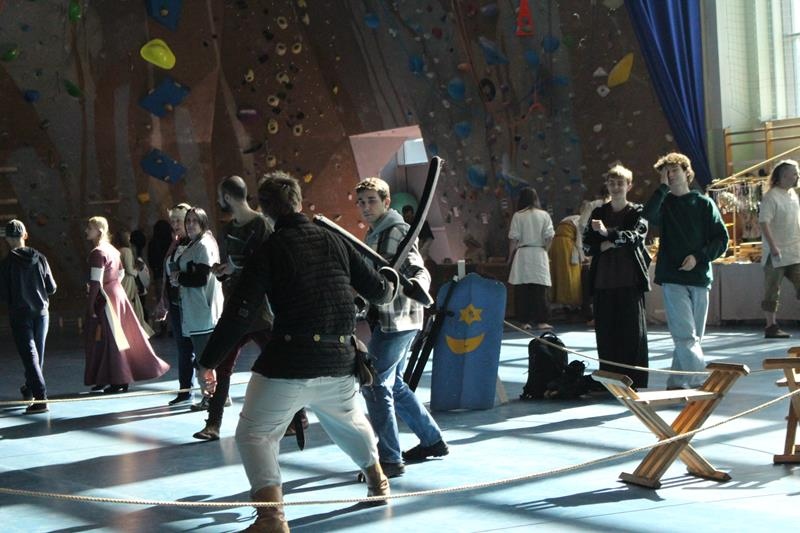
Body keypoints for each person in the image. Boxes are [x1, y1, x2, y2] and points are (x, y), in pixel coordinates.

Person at [197, 171, 399, 532]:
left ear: (266, 209)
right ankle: (378, 482)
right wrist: (393, 281)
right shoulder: (336, 241)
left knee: (255, 435)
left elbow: (240, 313)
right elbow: (380, 292)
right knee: (349, 421)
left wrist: (208, 361)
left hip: (290, 363)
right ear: (299, 202)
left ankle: (271, 518)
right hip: (341, 361)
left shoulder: (269, 250)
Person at [356, 177, 448, 478]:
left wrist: (420, 285)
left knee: (374, 384)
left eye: (372, 200)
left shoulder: (396, 230)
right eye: (361, 202)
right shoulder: (373, 234)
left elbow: (417, 267)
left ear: (386, 201)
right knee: (393, 384)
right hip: (389, 318)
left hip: (399, 320)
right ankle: (432, 440)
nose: (365, 207)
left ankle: (390, 459)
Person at [192, 175, 275, 441]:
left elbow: (267, 263)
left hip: (260, 310)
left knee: (279, 364)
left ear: (227, 197)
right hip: (235, 308)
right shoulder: (228, 229)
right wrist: (222, 271)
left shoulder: (262, 225)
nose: (219, 200)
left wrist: (235, 268)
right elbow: (232, 264)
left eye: (220, 196)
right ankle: (213, 423)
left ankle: (298, 419)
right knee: (223, 365)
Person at [643, 153, 728, 389]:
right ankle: (700, 379)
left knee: (693, 337)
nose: (670, 175)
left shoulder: (704, 203)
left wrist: (699, 257)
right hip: (673, 277)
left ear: (687, 172)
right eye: (665, 172)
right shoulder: (665, 203)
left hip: (699, 277)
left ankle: (677, 380)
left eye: (674, 170)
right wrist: (662, 188)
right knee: (685, 335)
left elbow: (721, 239)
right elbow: (647, 215)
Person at [84, 216, 169, 393]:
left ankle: (117, 378)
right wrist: (113, 285)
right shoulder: (113, 250)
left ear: (99, 231)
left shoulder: (98, 253)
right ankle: (111, 377)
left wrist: (91, 305)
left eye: (90, 228)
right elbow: (121, 273)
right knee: (117, 337)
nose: (86, 230)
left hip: (106, 298)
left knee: (110, 339)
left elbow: (96, 282)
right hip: (118, 295)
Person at [583, 165, 651, 389]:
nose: (615, 187)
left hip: (629, 281)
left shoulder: (637, 212)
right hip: (603, 282)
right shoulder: (598, 212)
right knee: (606, 333)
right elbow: (587, 245)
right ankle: (609, 379)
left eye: (620, 183)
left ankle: (633, 380)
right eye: (611, 183)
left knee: (632, 333)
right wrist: (606, 243)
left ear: (629, 186)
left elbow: (635, 237)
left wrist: (607, 234)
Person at [168, 207, 224, 410]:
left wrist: (179, 278)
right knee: (203, 357)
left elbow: (201, 278)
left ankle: (211, 397)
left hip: (202, 310)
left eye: (194, 220)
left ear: (203, 222)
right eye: (188, 221)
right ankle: (218, 395)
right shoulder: (194, 243)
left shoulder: (203, 245)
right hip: (194, 309)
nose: (190, 224)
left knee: (204, 359)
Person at [0, 219, 57, 414]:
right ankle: (30, 387)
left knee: (30, 356)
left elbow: (3, 295)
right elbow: (52, 287)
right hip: (42, 313)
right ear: (25, 235)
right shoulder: (40, 258)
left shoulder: (6, 264)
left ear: (7, 239)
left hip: (20, 314)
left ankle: (41, 399)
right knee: (37, 355)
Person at [155, 203, 197, 404]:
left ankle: (213, 392)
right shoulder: (176, 243)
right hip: (176, 302)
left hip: (191, 303)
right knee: (183, 348)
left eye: (178, 220)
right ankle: (185, 390)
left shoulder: (196, 244)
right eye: (172, 221)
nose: (174, 225)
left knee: (198, 348)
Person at [759, 160, 800, 338]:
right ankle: (771, 326)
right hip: (776, 254)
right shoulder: (771, 197)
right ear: (784, 175)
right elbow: (764, 222)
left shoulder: (793, 194)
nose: (797, 176)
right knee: (772, 290)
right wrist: (773, 246)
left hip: (795, 251)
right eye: (794, 173)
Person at [508, 187, 555, 330]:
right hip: (539, 252)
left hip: (523, 253)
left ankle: (524, 321)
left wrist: (510, 257)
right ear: (536, 199)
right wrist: (545, 251)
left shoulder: (518, 215)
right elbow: (550, 237)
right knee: (541, 288)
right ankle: (542, 321)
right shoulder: (544, 215)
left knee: (522, 289)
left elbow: (513, 239)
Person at [115, 230, 154, 337]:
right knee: (135, 309)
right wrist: (137, 269)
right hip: (128, 281)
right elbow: (129, 270)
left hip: (122, 282)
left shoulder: (118, 251)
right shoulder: (127, 251)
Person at [549, 212, 583, 309]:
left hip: (555, 244)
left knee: (557, 272)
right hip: (567, 245)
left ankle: (557, 300)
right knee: (570, 272)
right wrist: (582, 257)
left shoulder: (567, 218)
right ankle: (570, 302)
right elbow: (579, 241)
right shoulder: (582, 220)